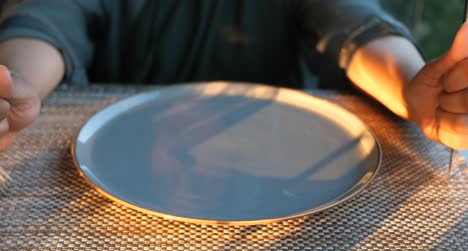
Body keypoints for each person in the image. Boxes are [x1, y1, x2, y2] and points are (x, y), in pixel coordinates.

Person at [0, 0, 466, 152]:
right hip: (128, 154)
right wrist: (15, 85)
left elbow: (351, 24)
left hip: (276, 164)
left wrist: (410, 86)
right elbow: (50, 19)